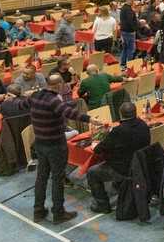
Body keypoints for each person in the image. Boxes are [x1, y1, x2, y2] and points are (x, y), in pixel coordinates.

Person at [30, 74, 92, 223]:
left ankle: (38, 211)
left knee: (41, 177)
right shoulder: (53, 100)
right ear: (58, 85)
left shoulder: (35, 95)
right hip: (55, 145)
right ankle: (58, 213)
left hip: (40, 143)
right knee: (58, 179)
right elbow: (69, 113)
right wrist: (90, 119)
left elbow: (22, 104)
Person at [86, 102, 150, 213]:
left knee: (92, 172)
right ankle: (119, 186)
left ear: (120, 114)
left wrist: (105, 136)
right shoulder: (143, 125)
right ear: (135, 112)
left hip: (123, 169)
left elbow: (98, 149)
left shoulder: (119, 131)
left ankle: (102, 205)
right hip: (141, 164)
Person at [120, 0, 138, 67]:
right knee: (130, 49)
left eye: (133, 1)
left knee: (125, 49)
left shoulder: (123, 8)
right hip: (129, 32)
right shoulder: (128, 9)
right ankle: (130, 65)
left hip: (124, 31)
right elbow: (130, 21)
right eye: (131, 1)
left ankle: (123, 64)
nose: (132, 2)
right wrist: (135, 28)